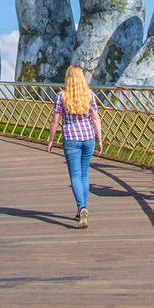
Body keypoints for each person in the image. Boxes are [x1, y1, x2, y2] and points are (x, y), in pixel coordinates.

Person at [46, 65, 103, 229]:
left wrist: (51, 140)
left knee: (75, 175)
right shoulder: (89, 95)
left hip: (70, 138)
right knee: (84, 174)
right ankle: (81, 208)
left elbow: (55, 121)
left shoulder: (61, 96)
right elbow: (96, 119)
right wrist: (99, 140)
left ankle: (81, 207)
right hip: (88, 138)